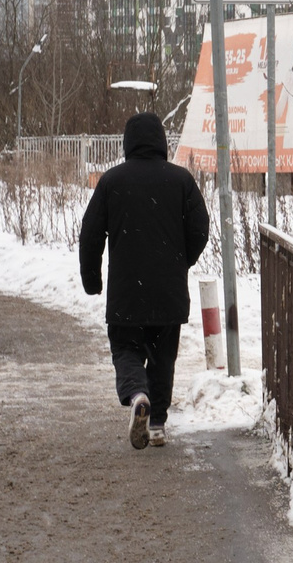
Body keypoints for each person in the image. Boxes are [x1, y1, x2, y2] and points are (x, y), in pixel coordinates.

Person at [79, 112, 211, 449]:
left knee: (126, 350)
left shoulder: (112, 181)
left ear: (127, 143)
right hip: (168, 292)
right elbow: (200, 228)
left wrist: (92, 280)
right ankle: (156, 424)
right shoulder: (181, 181)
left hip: (126, 293)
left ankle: (138, 394)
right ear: (162, 142)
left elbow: (90, 235)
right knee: (164, 358)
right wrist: (182, 261)